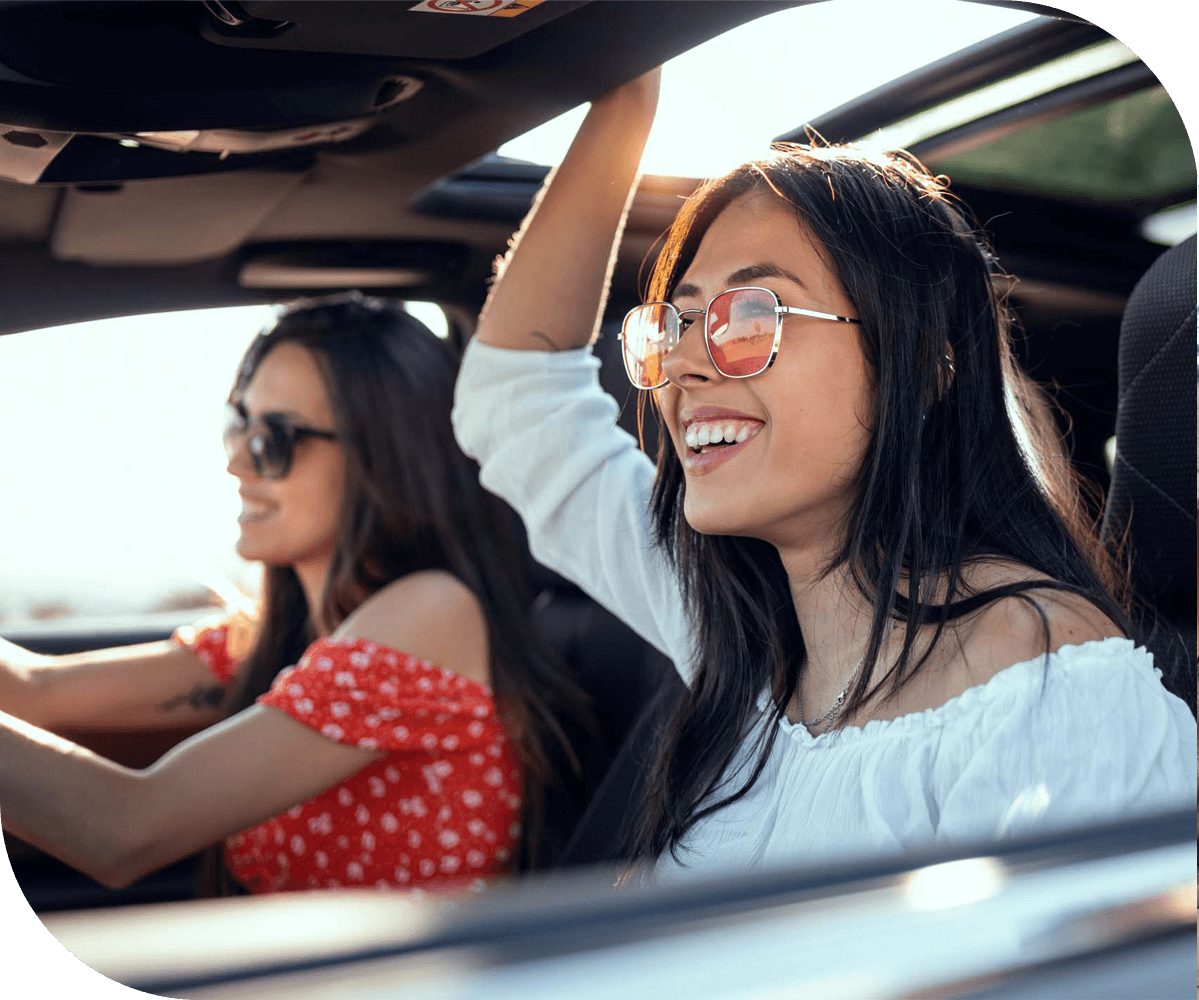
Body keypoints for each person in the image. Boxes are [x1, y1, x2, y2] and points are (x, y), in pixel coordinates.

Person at [450, 70, 1196, 884]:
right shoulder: (734, 631)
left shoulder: (1044, 678)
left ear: (917, 362)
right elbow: (512, 402)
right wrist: (623, 98)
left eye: (752, 315)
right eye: (678, 323)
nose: (687, 367)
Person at [0, 294, 587, 895]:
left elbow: (122, 829)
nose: (235, 463)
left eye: (273, 439)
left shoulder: (431, 613)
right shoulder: (291, 635)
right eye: (239, 425)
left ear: (382, 456)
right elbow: (35, 692)